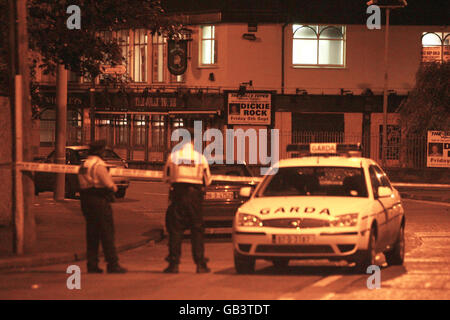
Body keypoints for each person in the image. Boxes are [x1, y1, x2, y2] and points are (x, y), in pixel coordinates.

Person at [163, 131, 212, 273]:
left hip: (177, 196)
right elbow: (208, 180)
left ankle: (173, 264)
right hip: (194, 198)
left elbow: (165, 178)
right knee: (197, 230)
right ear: (193, 141)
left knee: (175, 230)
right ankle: (200, 264)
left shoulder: (173, 157)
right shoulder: (200, 158)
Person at [78, 140, 127, 274]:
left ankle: (92, 264)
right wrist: (114, 188)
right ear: (101, 150)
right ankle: (112, 264)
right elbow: (109, 184)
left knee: (92, 234)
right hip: (99, 200)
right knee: (107, 233)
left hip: (86, 200)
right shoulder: (98, 165)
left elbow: (80, 181)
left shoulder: (84, 163)